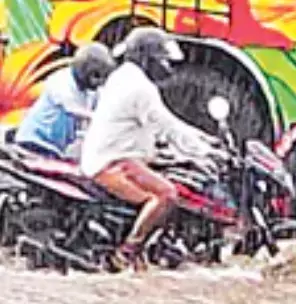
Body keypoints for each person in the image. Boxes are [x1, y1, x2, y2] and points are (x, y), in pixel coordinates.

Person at [81, 27, 220, 271]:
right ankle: (126, 252)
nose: (168, 67)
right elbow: (166, 126)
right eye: (163, 60)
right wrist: (204, 151)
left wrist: (207, 140)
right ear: (147, 59)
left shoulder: (125, 75)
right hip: (112, 160)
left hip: (120, 153)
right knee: (166, 194)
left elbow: (169, 122)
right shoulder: (140, 88)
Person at [13, 43, 115, 160]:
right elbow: (71, 107)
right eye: (97, 76)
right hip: (34, 142)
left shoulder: (92, 92)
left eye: (105, 77)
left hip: (56, 150)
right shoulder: (62, 80)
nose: (100, 82)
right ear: (84, 69)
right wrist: (99, 118)